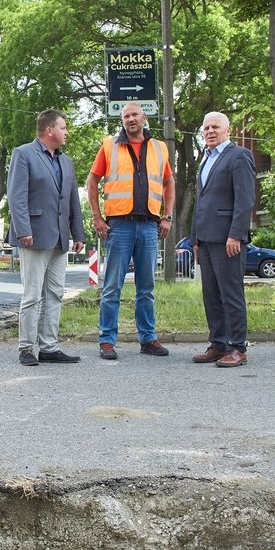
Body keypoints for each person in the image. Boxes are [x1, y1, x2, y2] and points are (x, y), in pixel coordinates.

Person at [86, 102, 175, 360]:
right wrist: (97, 218)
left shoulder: (160, 148)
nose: (130, 119)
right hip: (119, 225)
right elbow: (92, 181)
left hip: (149, 225)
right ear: (122, 120)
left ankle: (148, 339)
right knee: (112, 286)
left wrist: (167, 216)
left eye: (134, 114)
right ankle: (107, 341)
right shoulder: (109, 145)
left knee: (146, 287)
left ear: (144, 117)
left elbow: (169, 182)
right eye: (126, 116)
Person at [7, 109, 86, 366]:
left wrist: (79, 233)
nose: (67, 132)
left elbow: (73, 199)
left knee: (55, 293)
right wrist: (23, 230)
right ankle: (27, 347)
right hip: (34, 234)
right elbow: (17, 196)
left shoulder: (67, 161)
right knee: (32, 295)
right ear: (49, 130)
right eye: (63, 127)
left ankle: (49, 346)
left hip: (60, 238)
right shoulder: (23, 154)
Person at [190, 111, 256, 368]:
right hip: (206, 239)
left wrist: (236, 234)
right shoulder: (206, 160)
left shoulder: (239, 156)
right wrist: (195, 238)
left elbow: (244, 200)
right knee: (211, 295)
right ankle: (218, 344)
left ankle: (238, 347)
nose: (210, 131)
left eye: (215, 127)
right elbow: (201, 202)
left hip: (228, 239)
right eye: (206, 128)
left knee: (231, 294)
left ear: (228, 130)